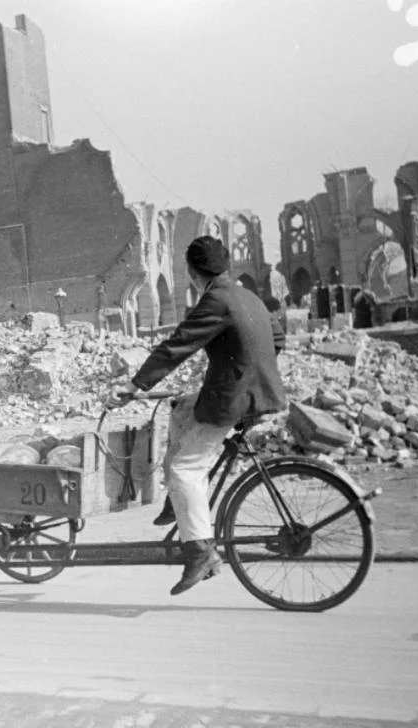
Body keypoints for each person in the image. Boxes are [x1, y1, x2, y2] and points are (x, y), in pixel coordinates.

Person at [108, 235, 287, 596]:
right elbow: (279, 338)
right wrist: (249, 370)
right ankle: (177, 503)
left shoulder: (216, 301)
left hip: (233, 399)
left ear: (192, 272)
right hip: (256, 392)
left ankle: (201, 552)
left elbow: (177, 346)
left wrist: (134, 386)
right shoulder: (247, 296)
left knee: (184, 470)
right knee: (180, 409)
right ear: (225, 266)